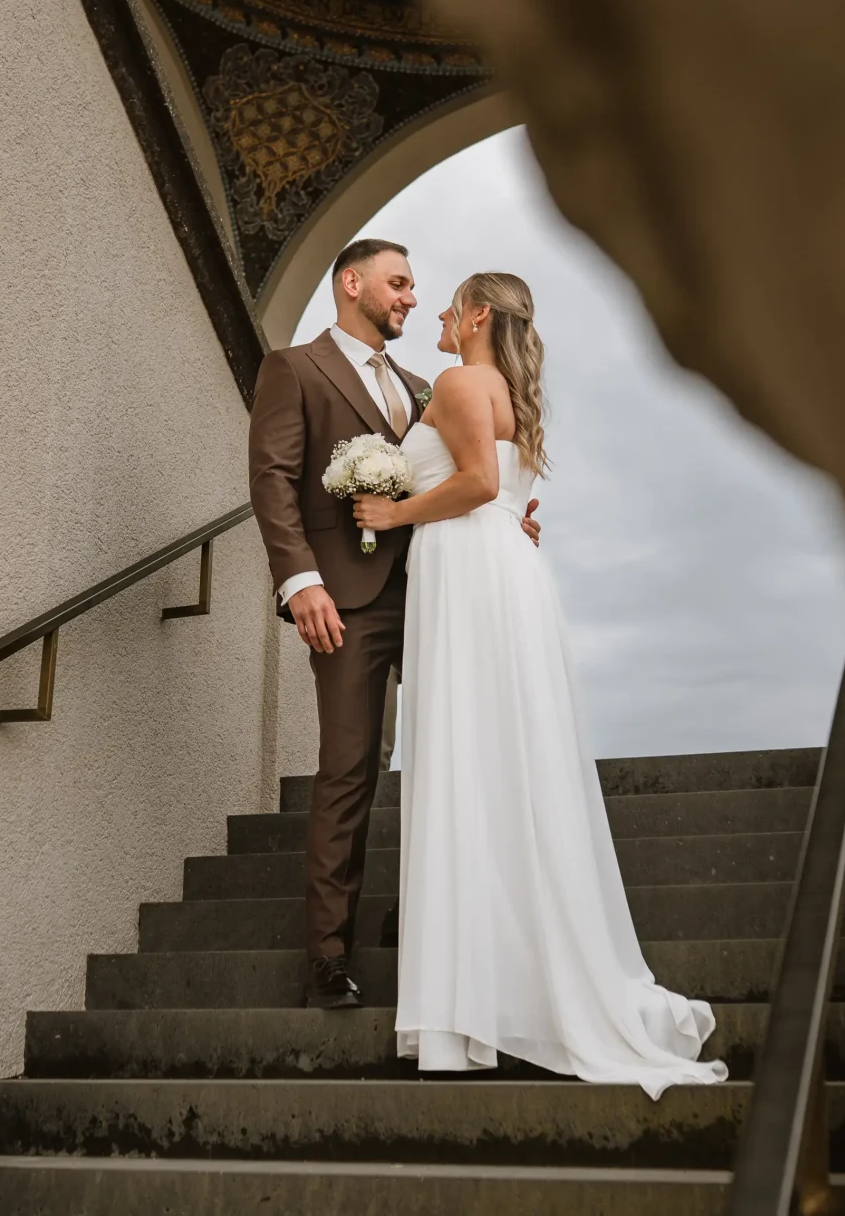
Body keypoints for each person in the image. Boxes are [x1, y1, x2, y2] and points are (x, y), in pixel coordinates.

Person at [352, 272, 727, 1094]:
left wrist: (391, 515)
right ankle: (492, 994)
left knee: (466, 768)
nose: (440, 319)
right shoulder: (509, 393)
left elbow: (481, 486)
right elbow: (499, 493)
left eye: (450, 306)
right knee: (503, 768)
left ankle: (469, 1010)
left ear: (479, 315)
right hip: (504, 570)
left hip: (469, 568)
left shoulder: (456, 381)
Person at [248, 240, 541, 1009]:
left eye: (415, 287)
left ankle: (440, 917)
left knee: (458, 752)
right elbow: (274, 478)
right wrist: (299, 578)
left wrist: (508, 521)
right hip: (346, 602)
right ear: (353, 284)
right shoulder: (296, 369)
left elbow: (469, 473)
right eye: (399, 283)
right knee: (351, 768)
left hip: (440, 592)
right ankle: (328, 956)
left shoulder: (424, 385)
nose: (413, 297)